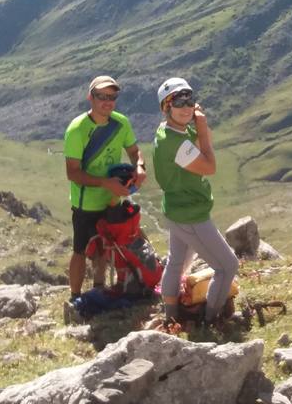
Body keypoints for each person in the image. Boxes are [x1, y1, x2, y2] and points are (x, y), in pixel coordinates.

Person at [151, 77, 239, 325]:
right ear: (166, 107)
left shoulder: (169, 130)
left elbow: (199, 142)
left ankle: (171, 316)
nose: (186, 106)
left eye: (189, 99)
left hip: (177, 208)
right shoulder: (175, 142)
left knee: (177, 261)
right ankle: (212, 319)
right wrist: (201, 126)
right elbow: (209, 166)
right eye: (178, 101)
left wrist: (199, 126)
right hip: (191, 214)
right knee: (227, 266)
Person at [64, 75, 146, 296]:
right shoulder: (77, 129)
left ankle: (99, 290)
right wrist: (105, 183)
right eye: (102, 96)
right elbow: (72, 172)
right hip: (85, 204)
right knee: (80, 250)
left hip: (111, 200)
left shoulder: (121, 123)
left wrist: (139, 166)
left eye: (112, 97)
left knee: (103, 247)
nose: (107, 101)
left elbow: (134, 151)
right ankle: (75, 298)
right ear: (90, 97)